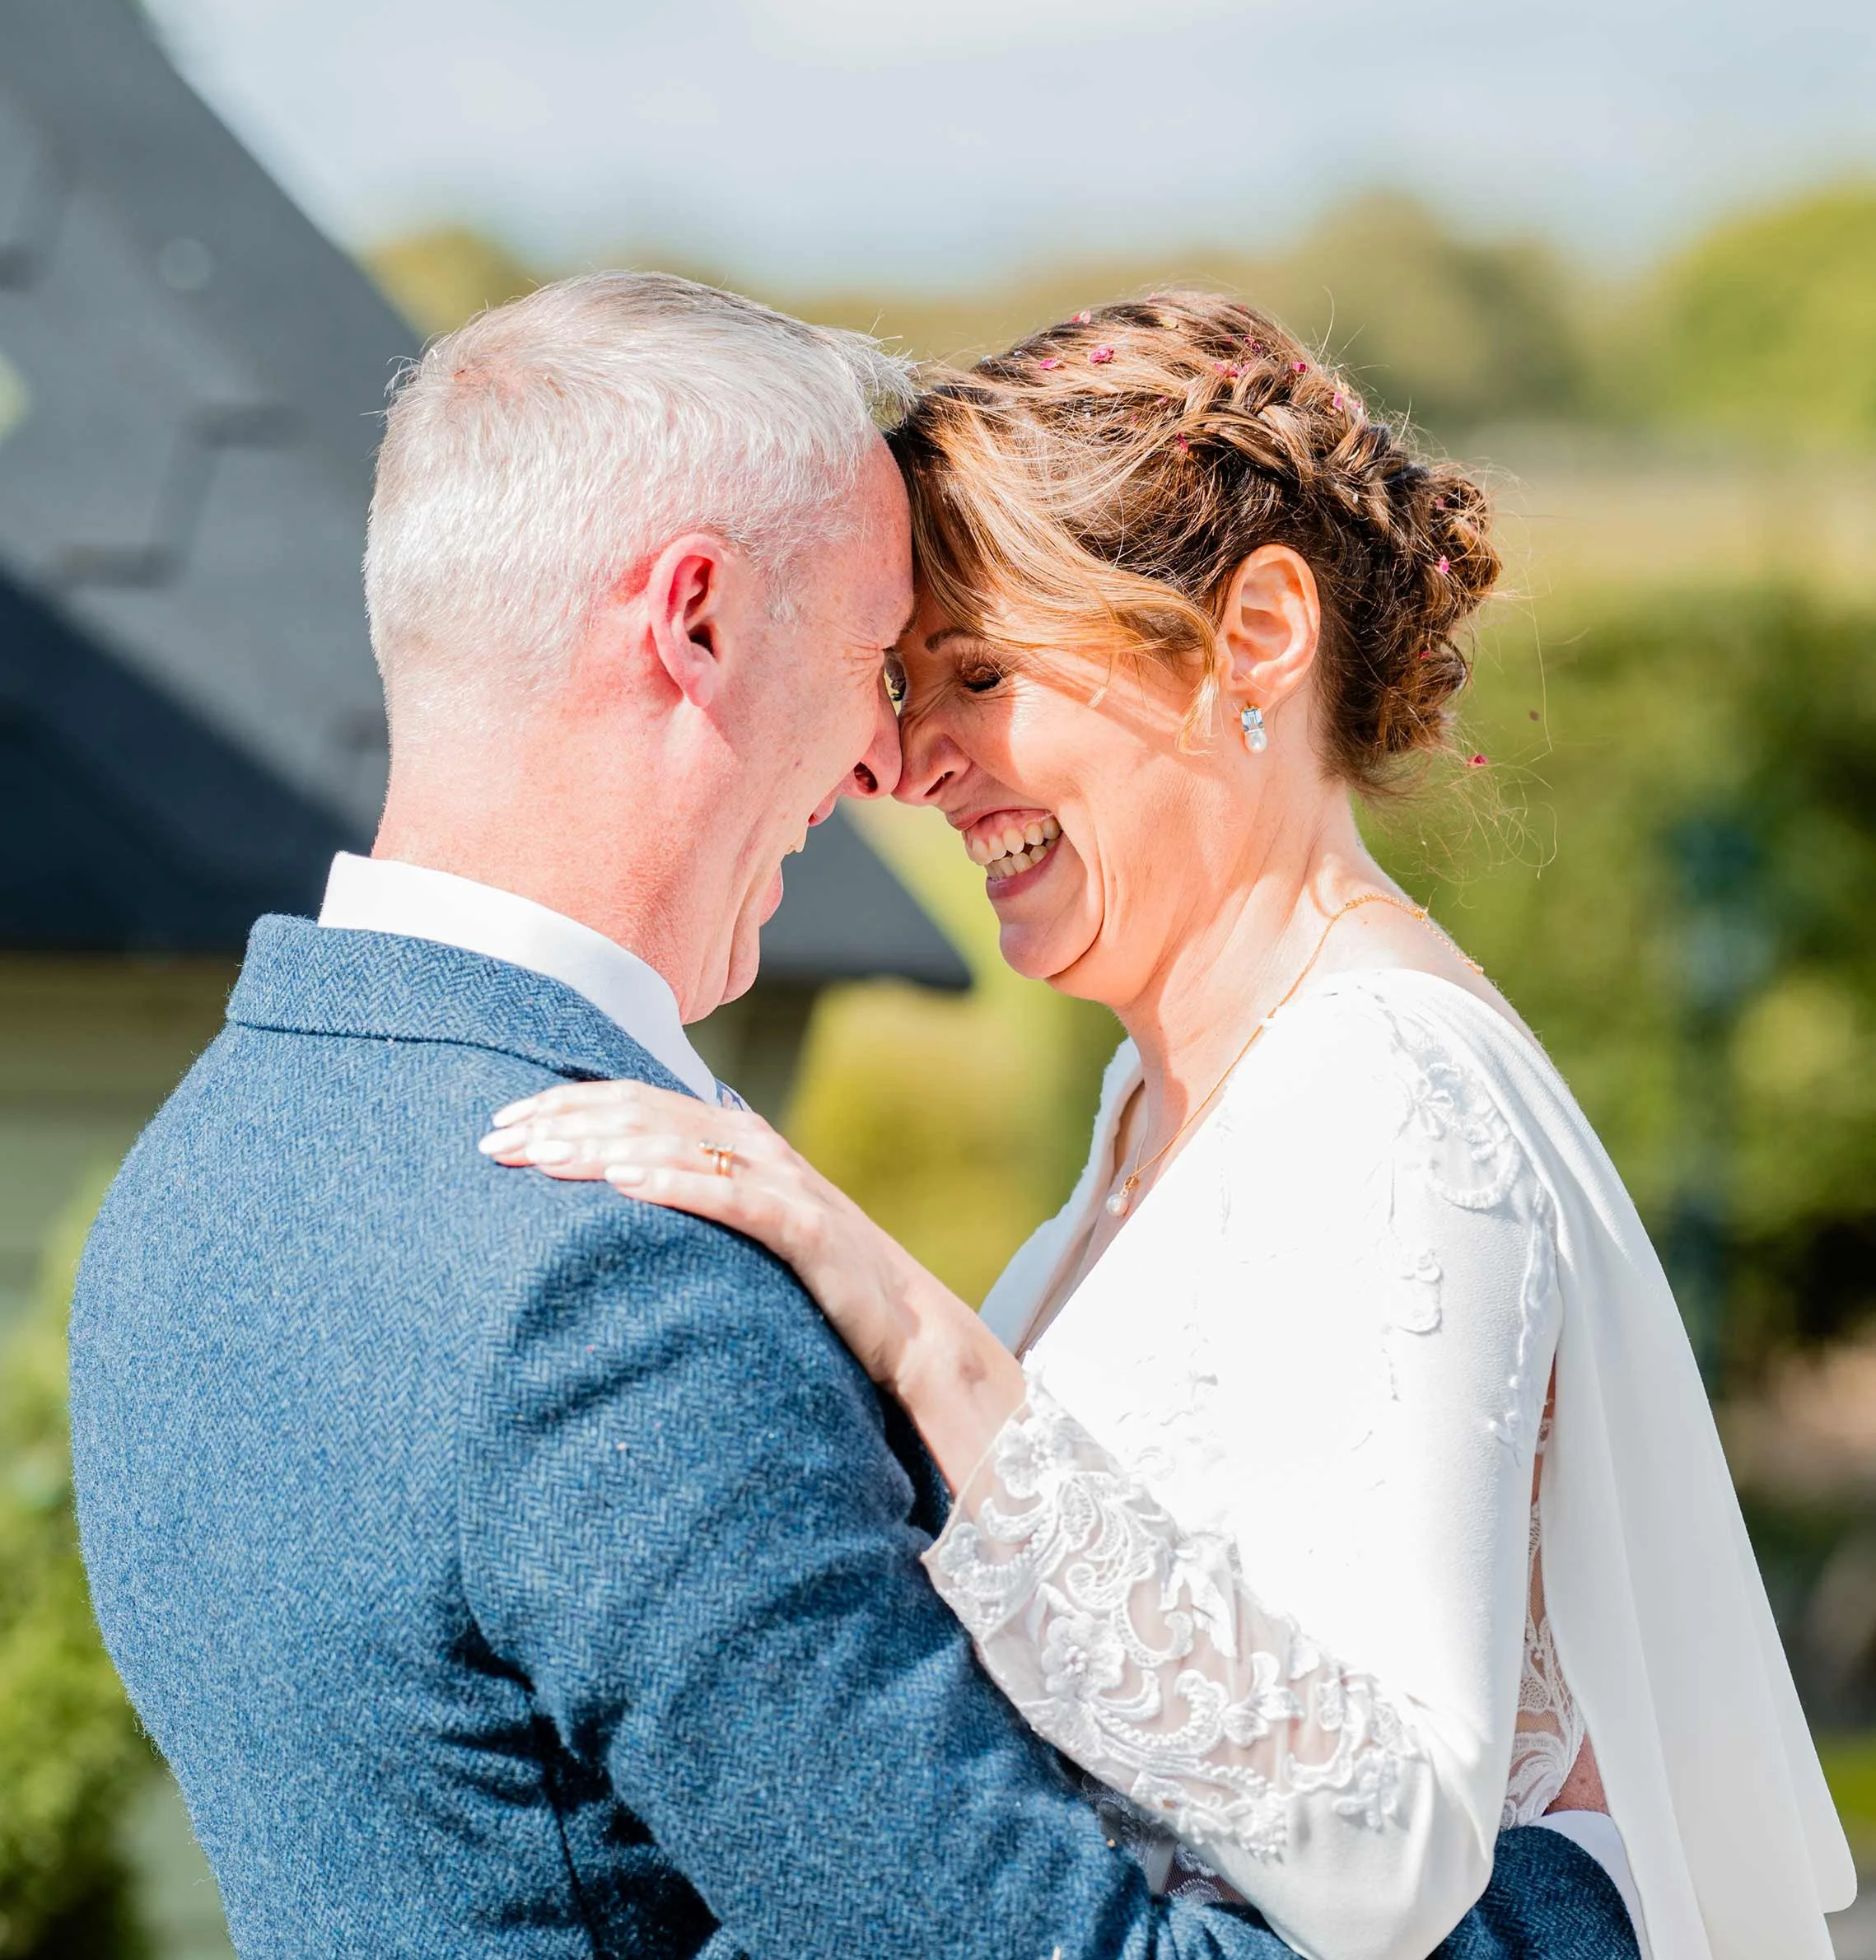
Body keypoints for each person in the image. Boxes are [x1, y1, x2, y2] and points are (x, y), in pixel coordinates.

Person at [67, 274, 1628, 1959]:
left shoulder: (195, 1172)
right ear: (698, 622)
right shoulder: (613, 1294)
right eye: (884, 657)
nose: (889, 762)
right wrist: (1577, 1894)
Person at [486, 293, 1856, 1960]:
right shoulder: (1162, 1093)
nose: (910, 764)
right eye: (902, 684)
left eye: (979, 672)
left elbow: (1386, 1844)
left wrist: (906, 1317)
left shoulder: (1389, 1101)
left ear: (1257, 634)